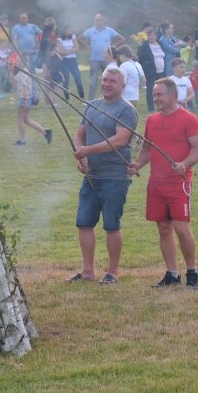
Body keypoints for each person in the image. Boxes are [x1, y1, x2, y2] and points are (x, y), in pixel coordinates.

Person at [128, 78, 198, 289]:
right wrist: (137, 166)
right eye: (154, 95)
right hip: (156, 183)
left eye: (159, 95)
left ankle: (192, 272)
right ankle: (172, 273)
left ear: (173, 95)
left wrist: (185, 164)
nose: (156, 98)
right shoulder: (152, 120)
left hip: (178, 183)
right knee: (163, 228)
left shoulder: (189, 119)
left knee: (181, 228)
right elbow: (146, 149)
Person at [69, 67, 138, 285]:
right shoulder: (92, 105)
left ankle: (112, 272)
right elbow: (80, 134)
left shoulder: (126, 110)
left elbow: (119, 140)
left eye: (112, 82)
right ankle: (88, 271)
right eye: (105, 80)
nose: (107, 84)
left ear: (123, 86)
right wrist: (80, 156)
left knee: (111, 224)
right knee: (84, 222)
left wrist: (87, 151)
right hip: (92, 176)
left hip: (115, 175)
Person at [80, 14, 125, 100]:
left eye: (98, 20)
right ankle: (91, 100)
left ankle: (108, 97)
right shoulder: (91, 31)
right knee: (93, 81)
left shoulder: (109, 30)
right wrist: (87, 46)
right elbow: (80, 38)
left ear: (103, 20)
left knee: (109, 79)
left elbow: (121, 38)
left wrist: (113, 47)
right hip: (94, 59)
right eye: (95, 20)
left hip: (107, 59)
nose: (97, 22)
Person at [12, 54, 51, 146]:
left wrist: (25, 101)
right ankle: (46, 133)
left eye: (17, 60)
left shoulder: (25, 72)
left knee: (20, 120)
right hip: (24, 98)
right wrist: (11, 70)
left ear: (22, 61)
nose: (16, 61)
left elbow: (25, 87)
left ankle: (22, 141)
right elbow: (14, 81)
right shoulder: (21, 71)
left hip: (24, 98)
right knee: (26, 120)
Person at [138, 29, 166, 112]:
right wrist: (145, 68)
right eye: (149, 35)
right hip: (151, 72)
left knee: (161, 89)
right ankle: (151, 109)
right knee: (150, 89)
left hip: (161, 71)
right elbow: (140, 59)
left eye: (152, 35)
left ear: (156, 36)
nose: (150, 37)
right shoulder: (144, 46)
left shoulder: (160, 44)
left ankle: (160, 106)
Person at [56, 26, 84, 98]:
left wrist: (67, 51)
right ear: (64, 31)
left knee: (78, 79)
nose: (69, 32)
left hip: (73, 60)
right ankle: (67, 99)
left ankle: (82, 97)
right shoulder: (59, 39)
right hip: (64, 61)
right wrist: (71, 50)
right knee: (66, 80)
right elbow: (61, 52)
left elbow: (77, 48)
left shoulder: (73, 37)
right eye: (67, 31)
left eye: (70, 31)